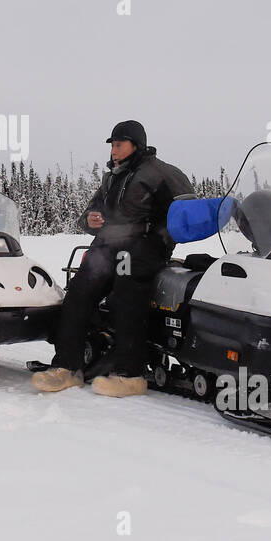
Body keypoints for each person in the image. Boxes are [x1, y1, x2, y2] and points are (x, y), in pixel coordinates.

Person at [33, 120, 192, 397]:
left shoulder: (161, 173)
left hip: (138, 249)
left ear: (136, 145)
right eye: (112, 145)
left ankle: (129, 375)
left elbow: (187, 214)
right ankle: (68, 369)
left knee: (125, 298)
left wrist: (158, 242)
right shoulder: (112, 177)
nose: (114, 150)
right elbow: (89, 213)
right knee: (77, 294)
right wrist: (89, 221)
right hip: (106, 247)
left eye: (119, 144)